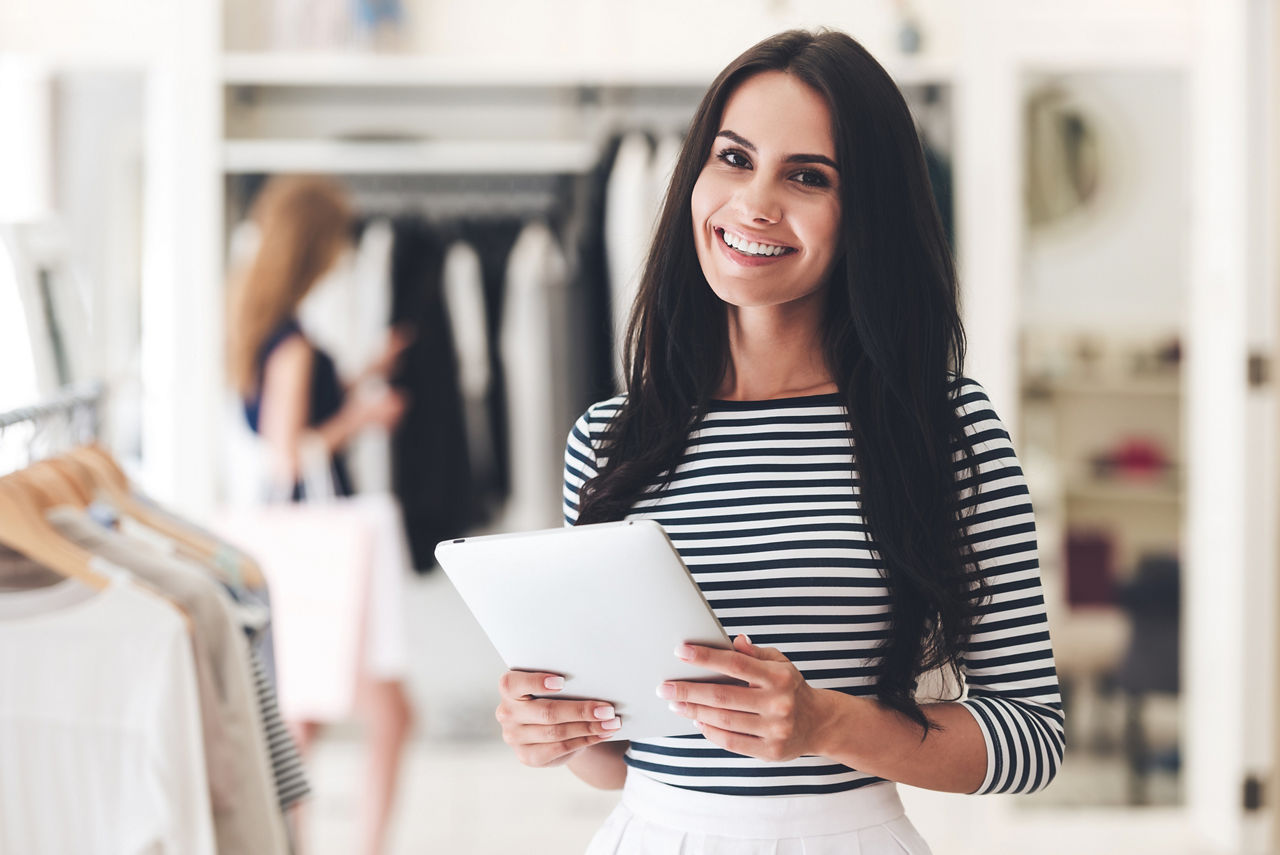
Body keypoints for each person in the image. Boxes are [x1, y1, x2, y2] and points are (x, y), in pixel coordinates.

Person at [494, 28, 1064, 854]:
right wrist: (557, 729)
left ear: (866, 212)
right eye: (733, 158)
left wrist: (825, 720)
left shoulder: (945, 428)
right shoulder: (611, 438)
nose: (754, 203)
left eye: (806, 176)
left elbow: (1032, 736)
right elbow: (622, 757)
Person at [227, 174, 414, 855]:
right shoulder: (296, 344)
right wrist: (362, 415)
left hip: (302, 541)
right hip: (324, 545)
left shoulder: (264, 330)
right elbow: (288, 453)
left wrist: (362, 373)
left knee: (307, 711)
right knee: (382, 713)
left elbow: (291, 421)